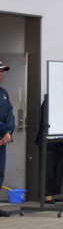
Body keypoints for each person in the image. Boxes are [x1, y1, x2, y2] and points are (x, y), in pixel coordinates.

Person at [0, 61, 15, 216]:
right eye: (0, 71)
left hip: (3, 140)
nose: (2, 74)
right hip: (1, 136)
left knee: (0, 173)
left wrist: (9, 131)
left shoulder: (3, 92)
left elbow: (10, 113)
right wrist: (3, 132)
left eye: (3, 71)